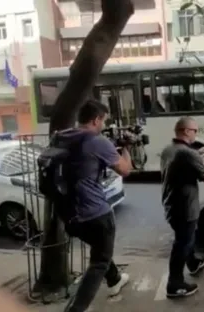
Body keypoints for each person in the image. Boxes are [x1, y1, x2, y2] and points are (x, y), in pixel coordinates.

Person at [62, 100, 133, 312]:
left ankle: (115, 280)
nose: (104, 125)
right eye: (104, 121)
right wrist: (126, 148)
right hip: (95, 213)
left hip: (68, 214)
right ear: (96, 119)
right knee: (99, 261)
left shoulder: (63, 137)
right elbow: (125, 170)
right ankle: (76, 309)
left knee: (100, 248)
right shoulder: (97, 141)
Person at [161, 116, 204, 298]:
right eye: (195, 130)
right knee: (182, 243)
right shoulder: (187, 153)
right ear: (186, 131)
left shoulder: (168, 149)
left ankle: (193, 262)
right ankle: (175, 284)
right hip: (184, 206)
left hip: (171, 202)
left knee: (185, 237)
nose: (196, 135)